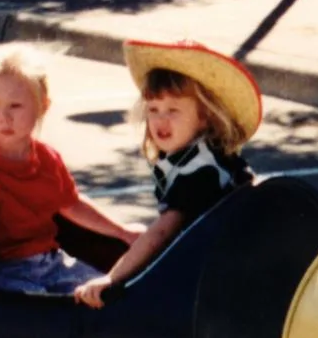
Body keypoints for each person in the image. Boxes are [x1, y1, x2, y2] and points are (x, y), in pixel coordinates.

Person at [74, 39, 259, 309]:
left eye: (173, 110)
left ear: (205, 116)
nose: (161, 120)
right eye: (153, 109)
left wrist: (112, 278)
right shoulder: (196, 152)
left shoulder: (201, 167)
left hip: (222, 269)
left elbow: (163, 231)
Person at [0, 46, 136, 297]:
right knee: (37, 307)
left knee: (101, 292)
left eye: (15, 106)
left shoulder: (47, 158)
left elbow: (71, 204)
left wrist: (122, 232)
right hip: (4, 269)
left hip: (52, 261)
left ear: (42, 106)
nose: (3, 117)